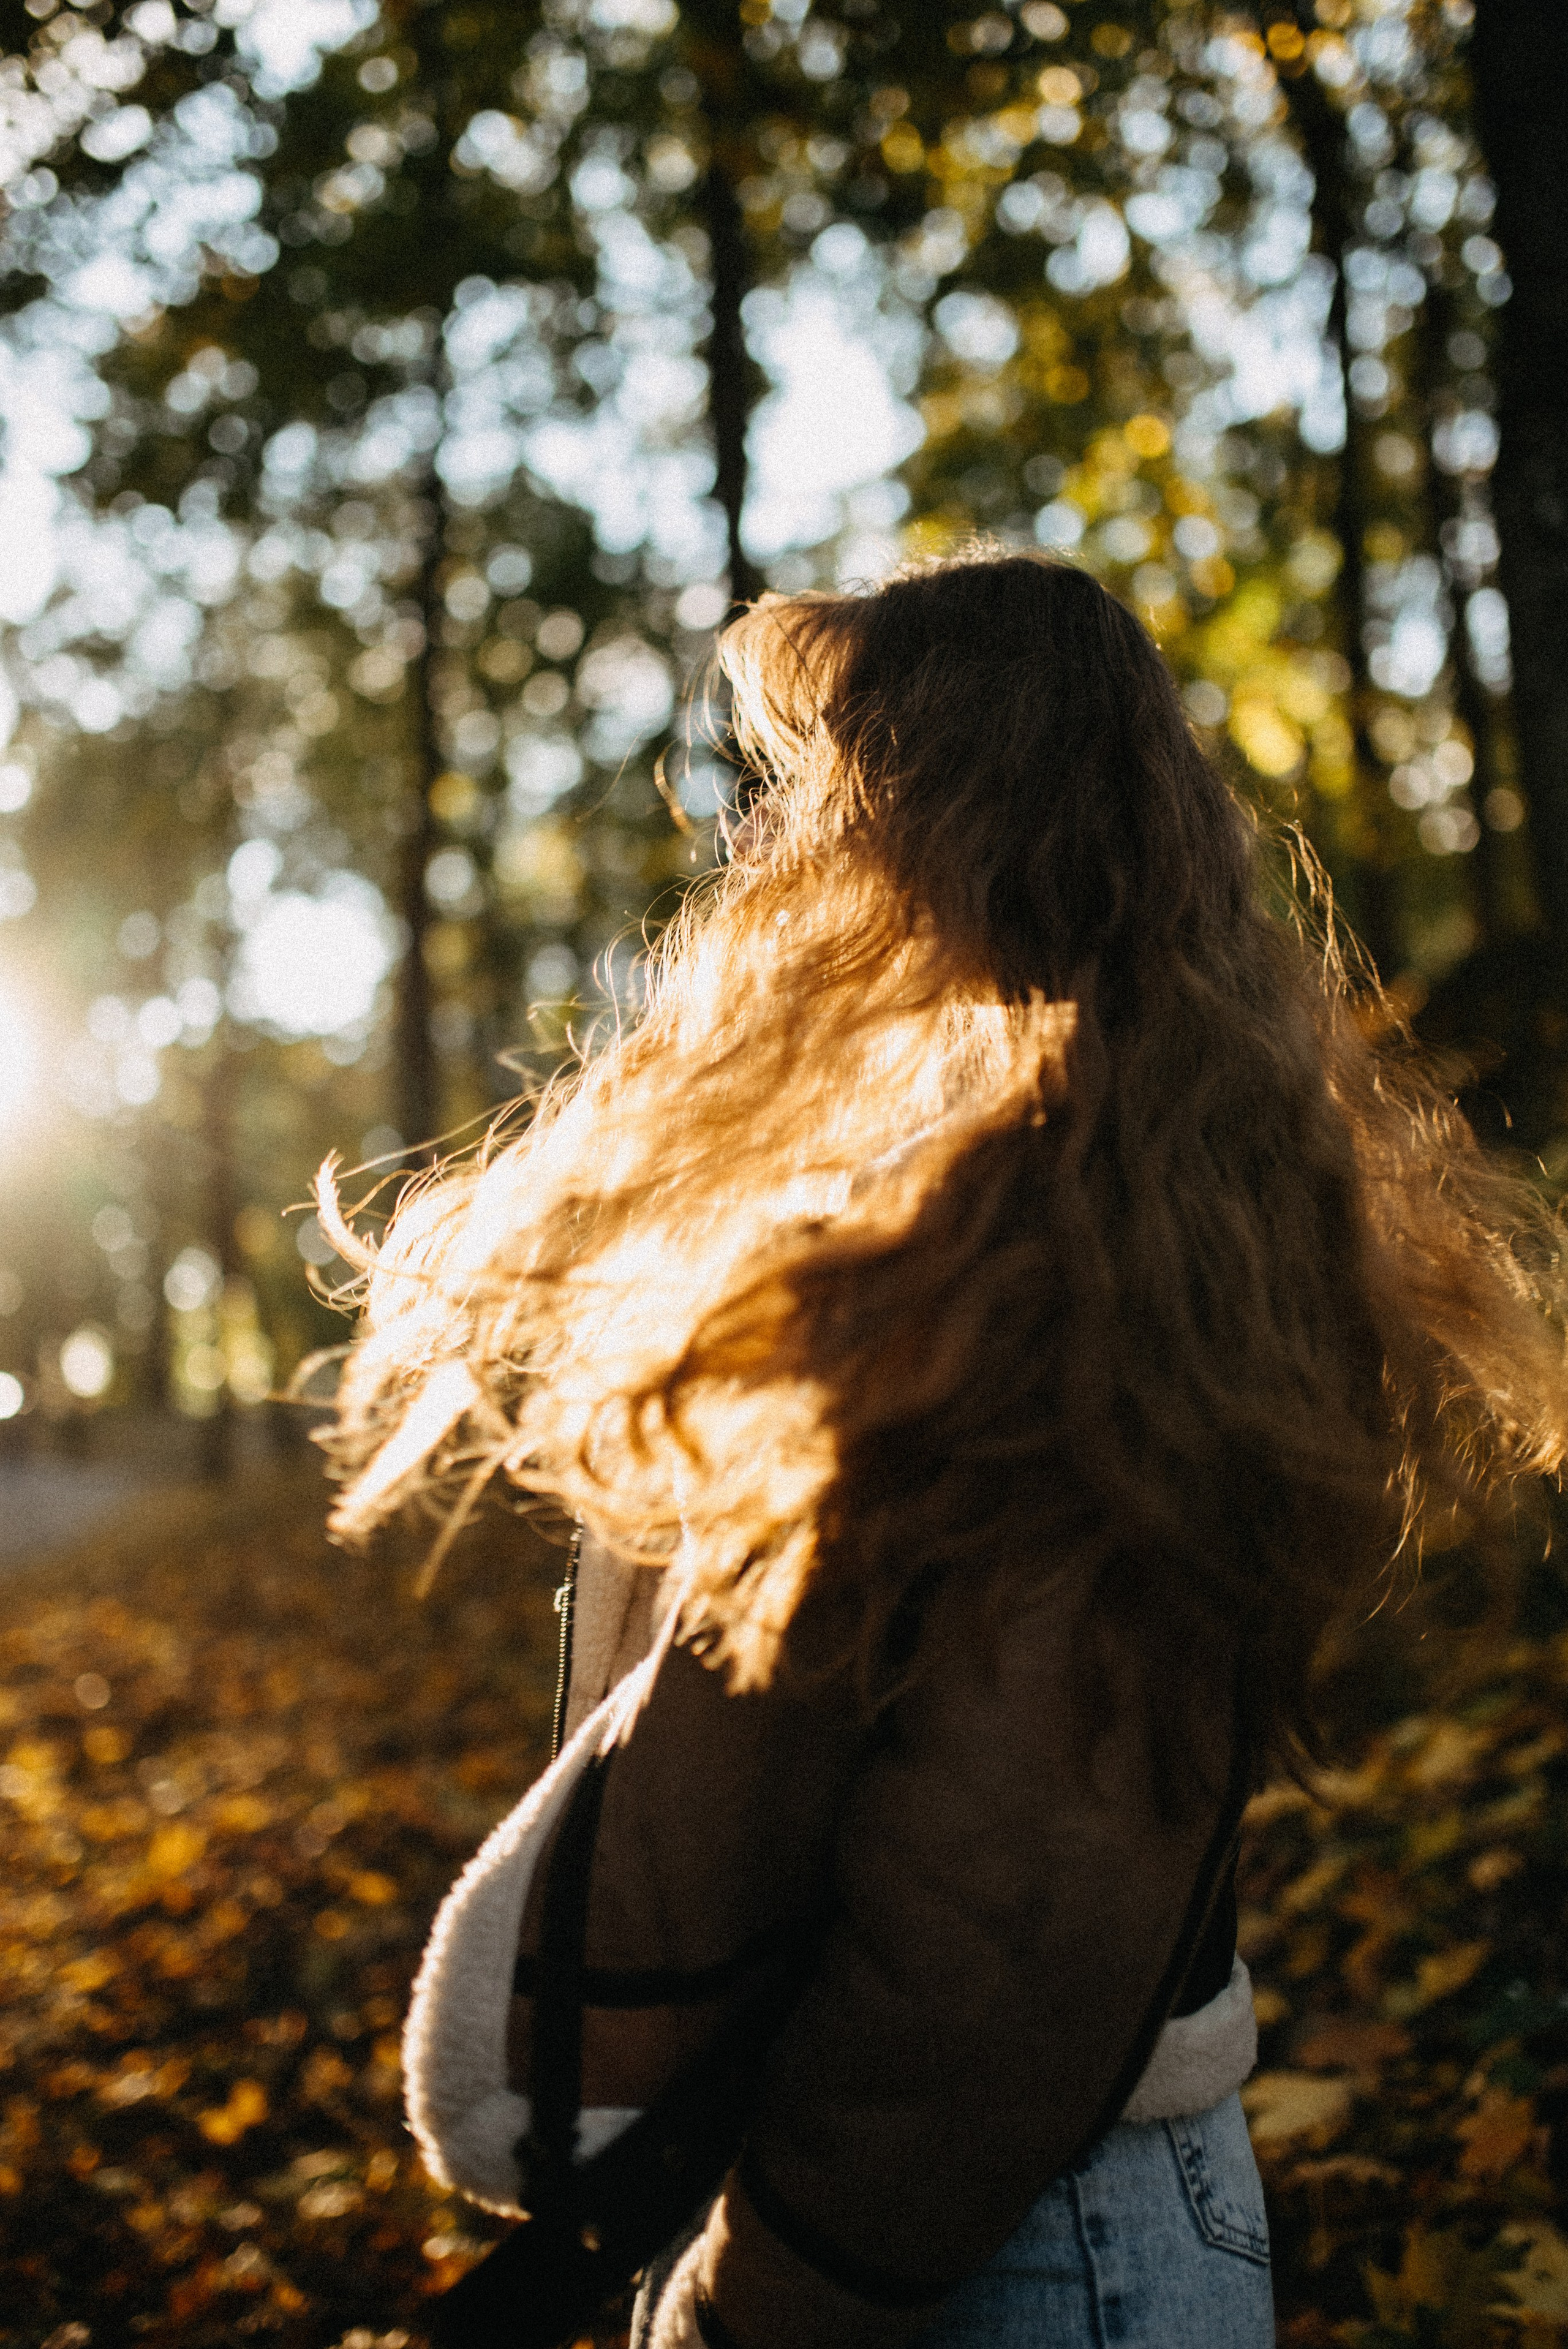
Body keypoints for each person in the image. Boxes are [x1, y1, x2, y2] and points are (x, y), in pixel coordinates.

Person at [324, 552, 1568, 2349]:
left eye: (851, 779)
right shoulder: (1066, 1189)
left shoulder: (1081, 1264)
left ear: (970, 810)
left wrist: (769, 2301)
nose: (804, 840)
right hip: (971, 2220)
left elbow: (1012, 1907)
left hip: (990, 2248)